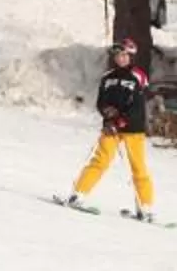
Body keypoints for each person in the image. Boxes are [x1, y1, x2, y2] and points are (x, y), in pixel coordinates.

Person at [57, 42, 157, 220]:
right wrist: (108, 116)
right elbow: (101, 102)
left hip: (132, 128)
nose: (121, 58)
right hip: (111, 128)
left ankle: (145, 208)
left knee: (138, 167)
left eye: (125, 55)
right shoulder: (107, 77)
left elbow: (137, 106)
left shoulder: (138, 76)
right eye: (118, 55)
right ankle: (77, 195)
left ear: (131, 56)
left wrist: (120, 120)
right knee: (99, 160)